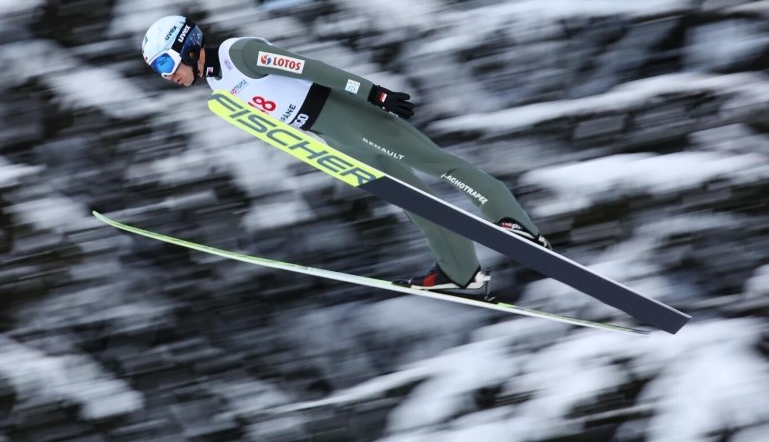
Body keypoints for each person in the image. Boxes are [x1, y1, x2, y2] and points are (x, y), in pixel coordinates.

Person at [141, 15, 551, 294]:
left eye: (165, 62)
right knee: (412, 200)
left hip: (345, 113)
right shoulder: (218, 87)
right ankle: (460, 272)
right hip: (329, 134)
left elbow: (309, 68)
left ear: (187, 45)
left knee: (434, 164)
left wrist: (374, 93)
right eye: (157, 70)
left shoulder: (239, 55)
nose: (166, 76)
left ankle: (509, 219)